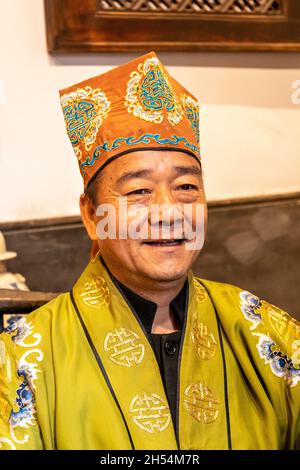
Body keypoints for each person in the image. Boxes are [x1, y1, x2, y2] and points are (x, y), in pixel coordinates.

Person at [0, 51, 299, 451]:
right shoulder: (23, 359)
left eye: (187, 188)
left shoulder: (266, 331)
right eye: (139, 191)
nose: (169, 211)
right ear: (91, 215)